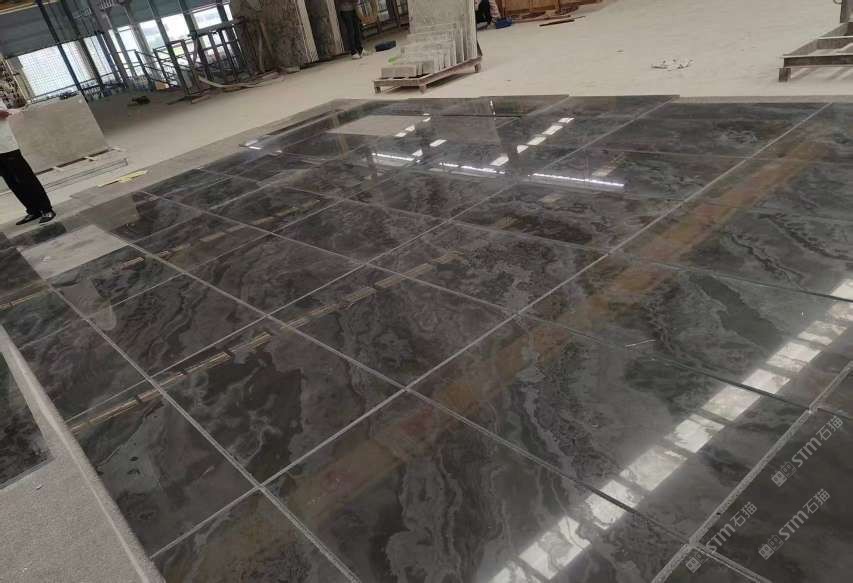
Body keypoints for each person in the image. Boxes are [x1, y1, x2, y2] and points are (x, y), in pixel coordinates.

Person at [0, 96, 55, 225]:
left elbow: (4, 113)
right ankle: (33, 210)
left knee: (26, 178)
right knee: (12, 182)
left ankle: (46, 209)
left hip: (7, 147)